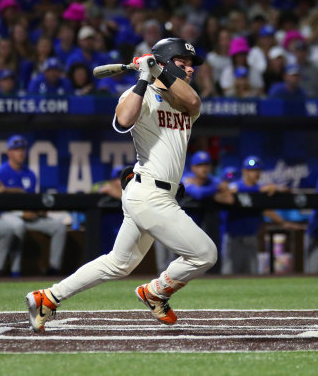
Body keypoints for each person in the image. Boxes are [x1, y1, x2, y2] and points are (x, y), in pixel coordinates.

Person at [25, 38, 216, 332]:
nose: (190, 70)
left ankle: (47, 298)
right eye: (183, 64)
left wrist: (157, 70)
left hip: (158, 194)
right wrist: (144, 76)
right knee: (204, 254)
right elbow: (124, 121)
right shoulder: (139, 94)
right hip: (149, 194)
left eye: (191, 65)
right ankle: (156, 291)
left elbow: (192, 102)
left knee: (118, 264)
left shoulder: (186, 99)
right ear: (164, 63)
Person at [0, 135, 67, 276]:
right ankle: (15, 270)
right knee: (18, 225)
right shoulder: (0, 173)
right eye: (16, 149)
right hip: (8, 215)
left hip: (30, 216)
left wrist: (39, 211)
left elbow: (31, 199)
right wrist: (21, 213)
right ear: (9, 152)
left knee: (59, 227)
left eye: (22, 149)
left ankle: (54, 268)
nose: (20, 153)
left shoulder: (30, 174)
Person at [222, 155, 300, 274]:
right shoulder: (237, 186)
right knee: (230, 274)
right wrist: (261, 190)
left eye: (258, 170)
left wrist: (283, 223)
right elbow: (227, 192)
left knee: (252, 275)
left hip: (252, 238)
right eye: (252, 170)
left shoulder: (261, 189)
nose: (255, 173)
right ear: (244, 171)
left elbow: (267, 210)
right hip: (234, 239)